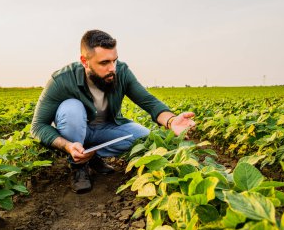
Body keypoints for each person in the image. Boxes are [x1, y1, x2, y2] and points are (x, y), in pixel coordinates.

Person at [31, 30, 195, 193]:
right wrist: (67, 146)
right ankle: (78, 166)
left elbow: (149, 102)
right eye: (104, 63)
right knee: (71, 109)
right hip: (74, 134)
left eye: (114, 61)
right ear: (85, 61)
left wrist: (171, 121)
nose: (112, 68)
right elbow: (38, 126)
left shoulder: (121, 72)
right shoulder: (62, 80)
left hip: (106, 129)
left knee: (145, 139)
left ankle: (93, 155)